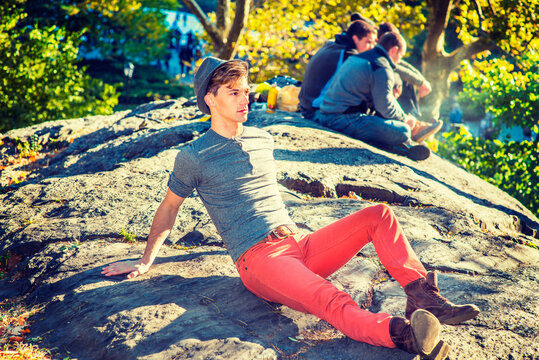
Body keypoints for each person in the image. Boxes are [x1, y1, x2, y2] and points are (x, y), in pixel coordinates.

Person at [102, 56, 480, 359]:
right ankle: (402, 336)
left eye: (246, 91)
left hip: (301, 243)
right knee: (330, 297)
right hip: (260, 260)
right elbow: (169, 208)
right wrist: (146, 260)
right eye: (233, 93)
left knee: (379, 215)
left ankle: (422, 297)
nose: (244, 99)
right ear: (209, 99)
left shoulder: (263, 138)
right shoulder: (193, 155)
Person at [316, 32, 442, 161]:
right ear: (395, 50)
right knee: (403, 131)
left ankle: (403, 142)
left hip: (327, 113)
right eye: (401, 56)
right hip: (342, 119)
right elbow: (384, 105)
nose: (399, 61)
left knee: (391, 123)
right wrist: (404, 119)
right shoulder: (381, 67)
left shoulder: (361, 57)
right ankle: (401, 144)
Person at [299, 20, 378, 119]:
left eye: (374, 43)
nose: (371, 47)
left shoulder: (333, 45)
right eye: (368, 42)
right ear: (355, 38)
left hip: (306, 106)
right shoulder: (349, 55)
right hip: (317, 110)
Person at [377, 22, 434, 122]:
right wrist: (419, 82)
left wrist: (422, 80)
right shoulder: (376, 51)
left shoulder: (383, 51)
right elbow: (395, 67)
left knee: (407, 80)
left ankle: (414, 118)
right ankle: (411, 120)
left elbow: (402, 64)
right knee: (402, 81)